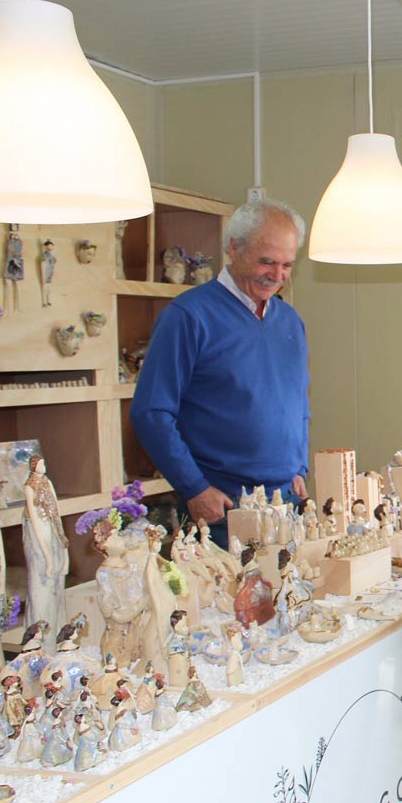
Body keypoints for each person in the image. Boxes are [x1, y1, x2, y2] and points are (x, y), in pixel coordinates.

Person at [130, 200, 311, 546]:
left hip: (286, 504)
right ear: (233, 248)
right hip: (220, 509)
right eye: (267, 262)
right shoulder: (188, 316)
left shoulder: (290, 322)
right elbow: (150, 412)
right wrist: (193, 487)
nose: (277, 275)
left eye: (287, 265)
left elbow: (298, 403)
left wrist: (299, 467)